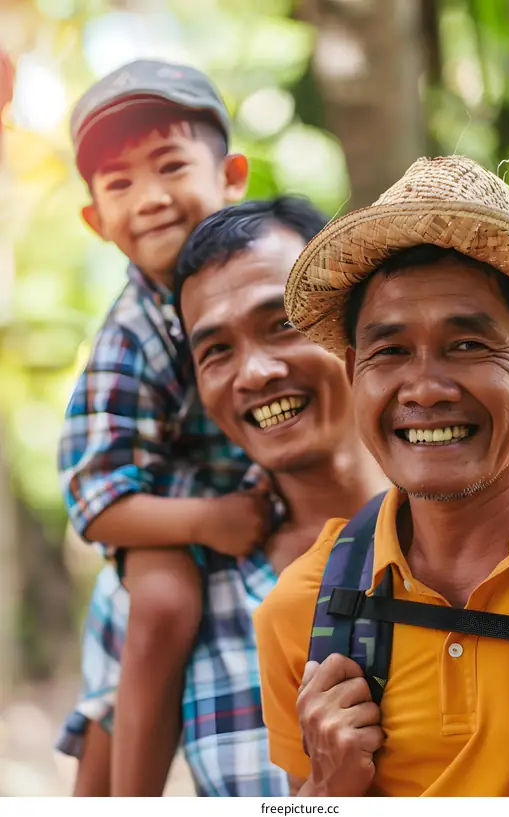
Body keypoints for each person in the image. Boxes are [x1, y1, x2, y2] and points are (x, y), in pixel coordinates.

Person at [254, 155, 509, 797]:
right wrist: (323, 792)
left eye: (468, 345)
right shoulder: (302, 609)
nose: (426, 388)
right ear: (355, 371)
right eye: (390, 351)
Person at [58, 196, 389, 795]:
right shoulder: (157, 587)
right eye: (216, 351)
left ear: (354, 327)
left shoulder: (489, 535)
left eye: (282, 324)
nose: (255, 373)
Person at [57, 59, 271, 797]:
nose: (148, 198)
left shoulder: (268, 271)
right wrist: (209, 520)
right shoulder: (131, 334)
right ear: (95, 220)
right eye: (118, 183)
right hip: (165, 515)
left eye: (171, 165)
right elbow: (95, 499)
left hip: (252, 501)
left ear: (231, 175)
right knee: (161, 603)